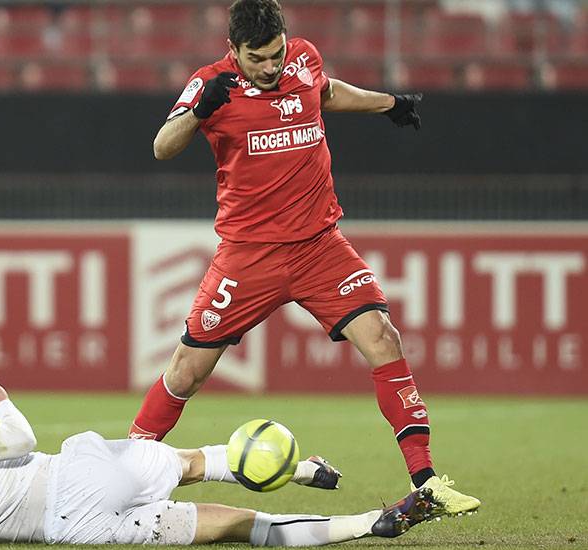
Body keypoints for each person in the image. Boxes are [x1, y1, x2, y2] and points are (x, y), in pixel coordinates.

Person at [127, 0, 480, 517]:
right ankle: (127, 469)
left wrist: (388, 103)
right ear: (233, 51)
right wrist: (201, 108)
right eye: (257, 59)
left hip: (321, 247)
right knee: (187, 373)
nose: (270, 67)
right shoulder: (210, 84)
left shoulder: (303, 59)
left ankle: (426, 482)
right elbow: (162, 146)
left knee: (383, 338)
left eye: (276, 54)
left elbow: (327, 92)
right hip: (249, 257)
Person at [0, 371, 442, 545]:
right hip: (76, 477)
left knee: (230, 526)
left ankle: (371, 524)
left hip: (76, 529)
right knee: (196, 461)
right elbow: (18, 443)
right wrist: (2, 405)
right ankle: (298, 468)